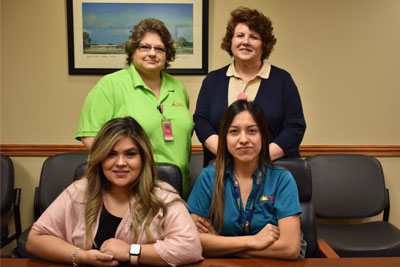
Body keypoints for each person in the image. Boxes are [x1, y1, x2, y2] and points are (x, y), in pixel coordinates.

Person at [27, 117, 203, 266]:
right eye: (111, 154)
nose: (120, 162)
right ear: (100, 158)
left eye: (130, 154)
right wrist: (80, 256)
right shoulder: (80, 191)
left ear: (143, 158)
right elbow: (36, 239)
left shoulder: (163, 195)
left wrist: (131, 251)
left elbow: (190, 247)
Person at [76, 18, 193, 197]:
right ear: (132, 51)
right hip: (128, 191)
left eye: (159, 48)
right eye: (145, 47)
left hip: (177, 189)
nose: (152, 53)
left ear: (167, 54)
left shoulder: (178, 88)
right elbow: (90, 138)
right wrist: (124, 169)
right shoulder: (110, 86)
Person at [187, 100, 306, 259]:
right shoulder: (209, 177)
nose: (243, 139)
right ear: (225, 138)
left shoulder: (282, 179)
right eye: (234, 131)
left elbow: (290, 249)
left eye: (252, 131)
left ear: (263, 136)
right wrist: (253, 241)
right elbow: (194, 241)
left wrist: (219, 243)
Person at [194, 7, 306, 167]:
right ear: (230, 41)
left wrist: (260, 157)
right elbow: (201, 121)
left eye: (253, 37)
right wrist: (225, 152)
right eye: (239, 36)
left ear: (264, 45)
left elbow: (295, 126)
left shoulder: (283, 80)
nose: (245, 42)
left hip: (272, 171)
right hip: (222, 171)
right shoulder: (213, 80)